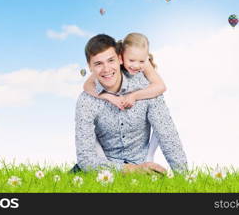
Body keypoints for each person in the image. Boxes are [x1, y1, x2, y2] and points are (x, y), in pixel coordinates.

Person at [73, 34, 187, 174]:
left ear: (120, 59)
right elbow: (86, 158)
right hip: (103, 167)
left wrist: (183, 175)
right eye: (98, 63)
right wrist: (131, 170)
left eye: (110, 60)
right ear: (90, 67)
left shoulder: (147, 90)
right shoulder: (86, 101)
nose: (106, 69)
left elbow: (167, 135)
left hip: (142, 165)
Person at [83, 32, 165, 162]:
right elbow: (87, 85)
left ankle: (149, 157)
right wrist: (108, 97)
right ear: (121, 57)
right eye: (131, 60)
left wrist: (134, 96)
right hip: (110, 153)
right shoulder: (109, 64)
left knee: (160, 119)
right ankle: (104, 162)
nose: (136, 65)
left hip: (139, 147)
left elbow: (161, 86)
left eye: (141, 61)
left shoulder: (142, 61)